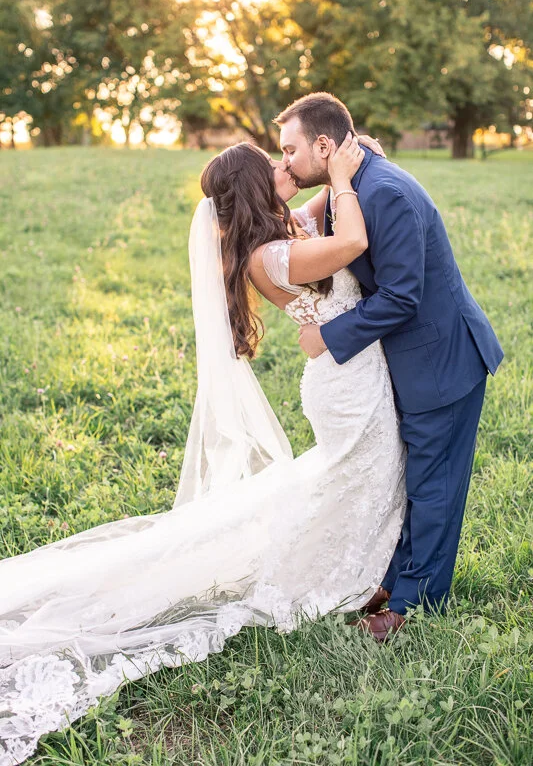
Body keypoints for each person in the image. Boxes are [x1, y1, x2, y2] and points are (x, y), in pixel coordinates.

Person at [0, 135, 406, 765]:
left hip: (347, 376)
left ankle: (353, 555)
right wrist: (348, 181)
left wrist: (332, 174)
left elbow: (313, 222)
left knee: (343, 480)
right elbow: (350, 244)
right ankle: (339, 569)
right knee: (361, 475)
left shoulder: (272, 238)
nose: (283, 166)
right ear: (252, 187)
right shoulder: (272, 255)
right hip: (347, 386)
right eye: (271, 165)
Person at [275, 92, 504, 640]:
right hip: (408, 360)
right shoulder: (344, 186)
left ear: (324, 146)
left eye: (289, 150)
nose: (283, 161)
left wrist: (325, 337)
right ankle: (398, 579)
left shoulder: (386, 193)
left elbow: (401, 296)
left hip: (441, 361)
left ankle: (414, 604)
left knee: (434, 488)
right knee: (413, 479)